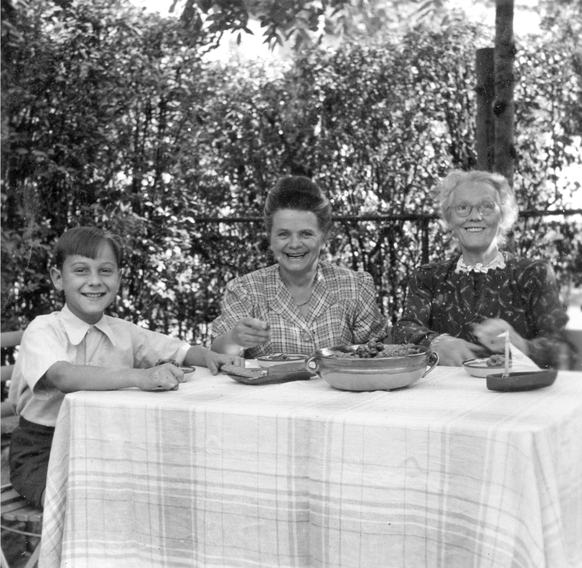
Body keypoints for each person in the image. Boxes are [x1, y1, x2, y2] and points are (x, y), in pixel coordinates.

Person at [8, 226, 243, 509]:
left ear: (118, 278)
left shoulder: (124, 332)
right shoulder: (44, 328)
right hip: (44, 449)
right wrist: (140, 377)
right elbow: (64, 375)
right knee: (83, 505)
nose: (94, 281)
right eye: (81, 271)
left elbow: (177, 350)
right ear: (58, 278)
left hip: (107, 446)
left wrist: (208, 356)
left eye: (105, 271)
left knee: (156, 491)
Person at [394, 169, 570, 368]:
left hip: (513, 393)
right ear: (449, 218)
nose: (475, 216)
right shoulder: (428, 276)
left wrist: (522, 345)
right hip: (447, 394)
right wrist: (435, 343)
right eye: (462, 207)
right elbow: (403, 329)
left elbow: (563, 351)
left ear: (502, 216)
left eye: (486, 206)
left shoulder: (534, 273)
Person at [211, 175, 388, 357]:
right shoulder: (245, 290)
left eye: (306, 234)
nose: (294, 244)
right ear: (270, 238)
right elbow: (221, 354)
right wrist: (234, 339)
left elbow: (377, 352)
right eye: (283, 234)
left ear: (323, 237)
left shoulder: (355, 287)